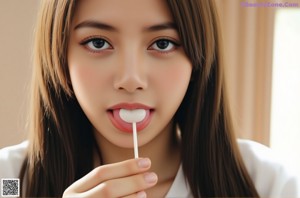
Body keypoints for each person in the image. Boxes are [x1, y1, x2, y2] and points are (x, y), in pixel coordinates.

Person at [0, 0, 299, 197]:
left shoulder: (268, 184)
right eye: (98, 42)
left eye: (163, 43)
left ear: (198, 61)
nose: (131, 79)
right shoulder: (9, 180)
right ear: (60, 58)